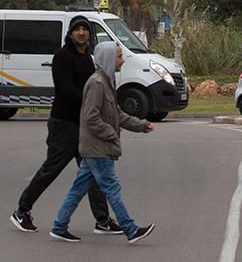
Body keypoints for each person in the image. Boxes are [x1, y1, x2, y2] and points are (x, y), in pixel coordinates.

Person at [11, 16, 121, 235]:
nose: (81, 33)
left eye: (85, 29)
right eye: (77, 29)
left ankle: (102, 220)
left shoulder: (89, 60)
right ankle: (22, 210)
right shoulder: (62, 57)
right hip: (64, 124)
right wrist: (92, 104)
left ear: (90, 34)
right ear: (70, 33)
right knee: (51, 169)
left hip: (83, 125)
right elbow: (65, 89)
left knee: (94, 172)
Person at [50, 42, 155, 244]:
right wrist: (110, 134)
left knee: (78, 189)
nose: (122, 61)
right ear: (107, 59)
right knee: (112, 188)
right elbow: (90, 117)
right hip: (97, 148)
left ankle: (59, 226)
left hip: (95, 148)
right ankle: (131, 229)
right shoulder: (97, 84)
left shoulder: (106, 82)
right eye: (118, 57)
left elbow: (117, 114)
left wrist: (141, 125)